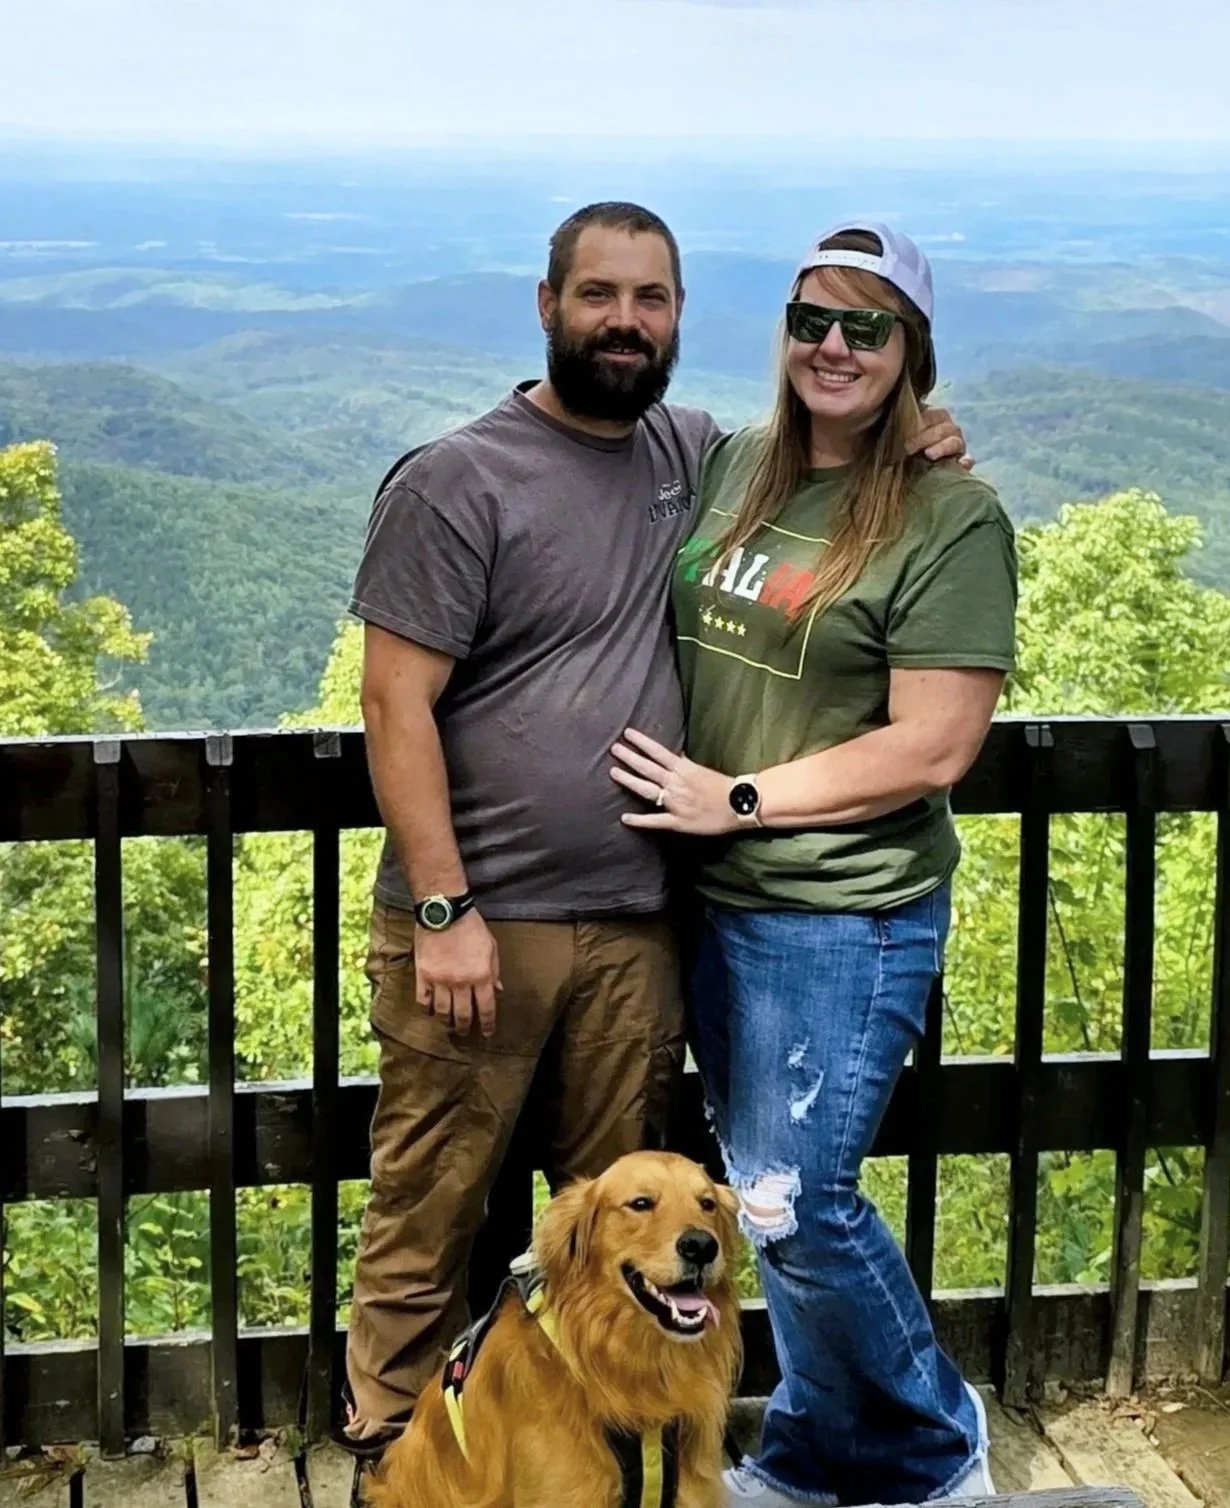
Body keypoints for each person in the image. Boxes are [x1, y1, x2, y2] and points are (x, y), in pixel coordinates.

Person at [341, 202, 970, 1457]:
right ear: (548, 305)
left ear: (678, 316)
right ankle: (394, 1442)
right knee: (433, 1197)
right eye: (598, 295)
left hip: (639, 922)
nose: (623, 322)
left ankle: (595, 1446)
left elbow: (831, 448)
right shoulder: (456, 478)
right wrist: (442, 906)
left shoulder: (694, 456)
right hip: (485, 917)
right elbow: (391, 701)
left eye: (650, 299)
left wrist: (923, 434)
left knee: (617, 1229)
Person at [610, 221, 1017, 1507]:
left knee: (799, 1202)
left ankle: (934, 1448)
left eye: (866, 326)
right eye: (811, 321)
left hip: (841, 913)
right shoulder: (735, 462)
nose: (833, 346)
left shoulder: (950, 516)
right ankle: (817, 1450)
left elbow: (935, 742)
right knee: (763, 1195)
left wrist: (737, 798)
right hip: (719, 905)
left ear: (912, 350)